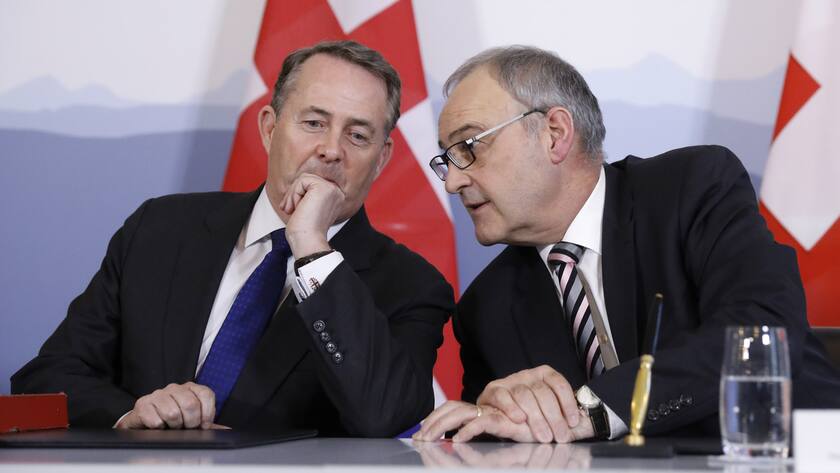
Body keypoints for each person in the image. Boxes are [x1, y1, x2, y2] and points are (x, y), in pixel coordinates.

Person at [12, 40, 454, 437]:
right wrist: (131, 414)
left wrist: (312, 248)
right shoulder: (159, 229)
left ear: (381, 160)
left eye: (357, 135)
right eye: (314, 123)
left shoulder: (413, 287)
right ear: (268, 128)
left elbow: (385, 416)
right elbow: (46, 378)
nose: (331, 150)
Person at [414, 45, 840, 443]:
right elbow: (512, 441)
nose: (453, 181)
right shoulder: (486, 308)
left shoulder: (690, 189)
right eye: (446, 159)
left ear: (555, 133)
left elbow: (760, 330)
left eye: (469, 146)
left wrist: (597, 409)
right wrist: (493, 422)